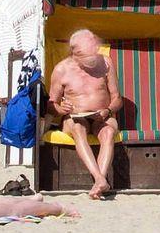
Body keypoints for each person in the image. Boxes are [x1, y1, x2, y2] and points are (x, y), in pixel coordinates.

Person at [46, 28, 121, 198]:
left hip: (102, 115)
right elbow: (51, 105)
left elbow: (117, 99)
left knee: (109, 132)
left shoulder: (106, 63)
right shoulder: (62, 69)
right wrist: (61, 109)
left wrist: (108, 110)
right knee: (78, 128)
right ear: (76, 53)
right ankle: (100, 179)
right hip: (74, 117)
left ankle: (99, 182)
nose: (94, 56)